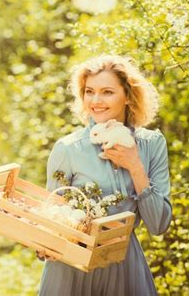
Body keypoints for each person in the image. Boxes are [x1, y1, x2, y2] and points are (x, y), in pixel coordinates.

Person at [38, 55, 172, 295]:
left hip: (124, 268)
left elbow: (159, 224)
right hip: (71, 270)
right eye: (89, 91)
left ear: (129, 96)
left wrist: (136, 167)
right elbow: (53, 216)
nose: (96, 101)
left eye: (107, 92)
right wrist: (44, 243)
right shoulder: (68, 149)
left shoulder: (152, 144)